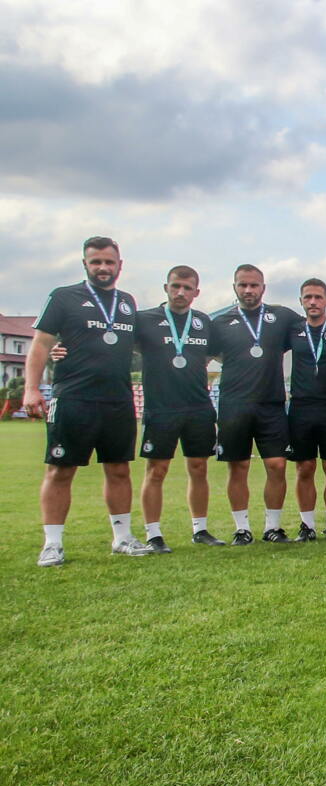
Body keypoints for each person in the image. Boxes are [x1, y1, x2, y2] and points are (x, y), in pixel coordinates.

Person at [26, 236, 149, 566]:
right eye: (96, 262)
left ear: (120, 265)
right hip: (74, 398)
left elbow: (137, 345)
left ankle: (122, 538)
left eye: (109, 262)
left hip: (118, 401)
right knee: (60, 470)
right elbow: (40, 344)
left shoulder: (126, 302)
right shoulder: (64, 297)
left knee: (119, 470)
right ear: (85, 264)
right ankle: (52, 544)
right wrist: (31, 389)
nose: (103, 268)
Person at [210, 263, 299, 544]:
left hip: (271, 404)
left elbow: (312, 325)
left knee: (277, 466)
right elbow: (204, 360)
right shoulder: (220, 323)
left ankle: (272, 527)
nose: (248, 290)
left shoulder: (281, 316)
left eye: (254, 285)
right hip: (234, 404)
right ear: (234, 287)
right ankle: (242, 529)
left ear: (263, 287)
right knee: (238, 467)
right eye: (242, 285)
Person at [131, 265, 216, 552]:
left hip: (198, 407)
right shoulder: (145, 320)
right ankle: (153, 534)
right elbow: (115, 347)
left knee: (199, 467)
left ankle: (200, 529)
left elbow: (215, 355)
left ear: (196, 292)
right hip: (161, 407)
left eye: (187, 288)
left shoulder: (204, 322)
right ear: (165, 288)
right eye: (176, 286)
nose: (181, 292)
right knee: (156, 470)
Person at [288, 278, 326, 542]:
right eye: (308, 297)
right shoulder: (291, 330)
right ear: (301, 301)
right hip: (301, 407)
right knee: (304, 467)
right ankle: (307, 525)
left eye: (318, 297)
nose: (313, 302)